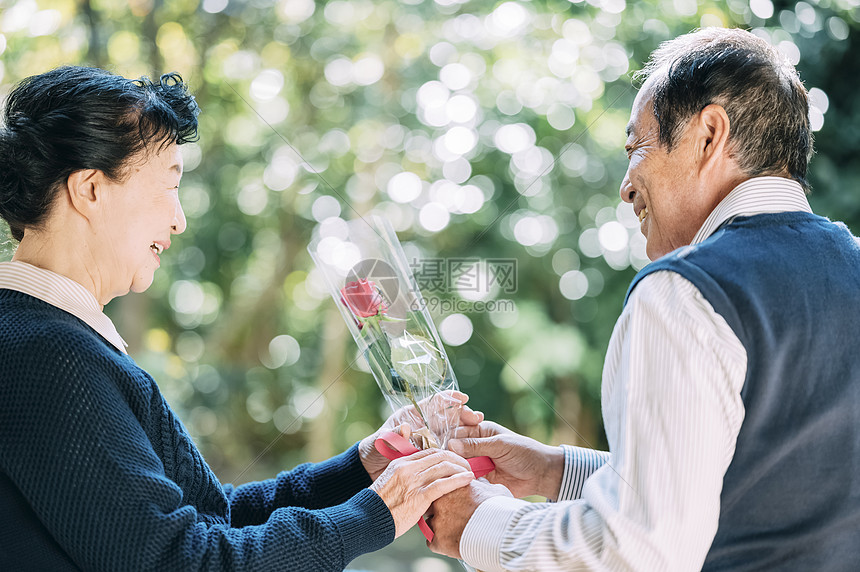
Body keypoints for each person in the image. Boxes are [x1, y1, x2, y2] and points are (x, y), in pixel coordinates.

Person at [0, 66, 480, 571]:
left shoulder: (53, 340)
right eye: (169, 185)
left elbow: (213, 519)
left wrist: (364, 469)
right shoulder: (47, 355)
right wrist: (377, 512)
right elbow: (184, 563)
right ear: (90, 190)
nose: (179, 219)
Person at [426, 27, 860, 571]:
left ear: (709, 135)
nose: (626, 186)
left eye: (638, 147)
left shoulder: (687, 292)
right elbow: (754, 486)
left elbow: (635, 551)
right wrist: (554, 471)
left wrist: (478, 525)